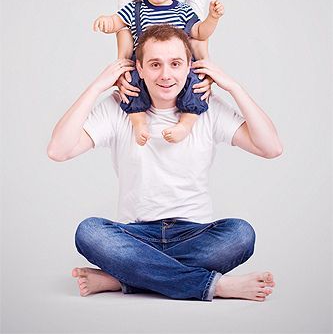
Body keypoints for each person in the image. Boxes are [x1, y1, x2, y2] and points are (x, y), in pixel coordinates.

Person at [47, 25, 283, 302]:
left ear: (189, 66)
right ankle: (215, 287)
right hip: (136, 233)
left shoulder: (208, 109)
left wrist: (233, 86)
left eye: (175, 63)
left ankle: (125, 277)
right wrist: (98, 85)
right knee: (90, 232)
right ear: (140, 67)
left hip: (195, 232)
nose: (166, 74)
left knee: (240, 234)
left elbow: (271, 147)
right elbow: (58, 150)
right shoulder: (118, 106)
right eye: (155, 64)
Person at [93, 0, 224, 145]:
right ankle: (139, 123)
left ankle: (186, 123)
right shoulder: (135, 9)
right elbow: (117, 22)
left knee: (196, 83)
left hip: (176, 65)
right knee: (130, 84)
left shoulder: (183, 11)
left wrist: (212, 18)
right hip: (146, 65)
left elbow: (199, 33)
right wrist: (105, 22)